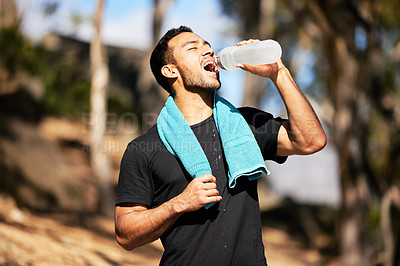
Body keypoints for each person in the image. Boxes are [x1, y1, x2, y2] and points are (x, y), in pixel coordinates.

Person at [114, 25, 327, 265]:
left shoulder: (245, 124)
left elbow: (311, 141)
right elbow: (125, 233)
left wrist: (279, 73)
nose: (207, 51)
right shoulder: (145, 148)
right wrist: (178, 204)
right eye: (193, 48)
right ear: (170, 70)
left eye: (207, 46)